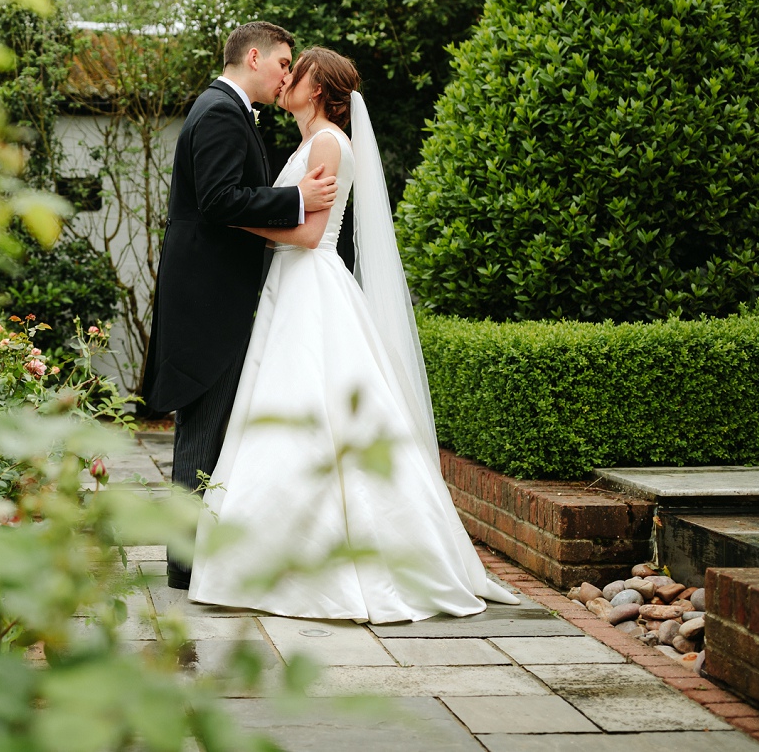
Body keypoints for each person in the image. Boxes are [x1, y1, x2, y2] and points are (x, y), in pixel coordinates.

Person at [187, 47, 518, 621]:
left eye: (298, 70)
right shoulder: (308, 142)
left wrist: (234, 219)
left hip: (310, 285)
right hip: (291, 288)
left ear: (317, 89)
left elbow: (312, 235)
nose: (287, 78)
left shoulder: (326, 143)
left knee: (309, 411)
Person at [142, 22, 336, 592]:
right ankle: (185, 562)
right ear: (254, 56)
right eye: (282, 63)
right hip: (209, 305)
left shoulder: (223, 109)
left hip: (212, 299)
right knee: (203, 430)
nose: (285, 76)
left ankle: (194, 556)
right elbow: (219, 200)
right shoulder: (222, 112)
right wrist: (296, 199)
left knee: (209, 430)